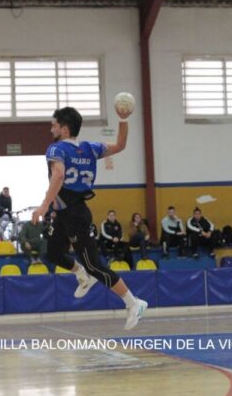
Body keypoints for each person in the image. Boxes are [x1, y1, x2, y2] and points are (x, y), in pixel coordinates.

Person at [32, 105, 148, 330]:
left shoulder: (56, 149)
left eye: (54, 125)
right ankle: (82, 274)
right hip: (64, 214)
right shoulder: (90, 148)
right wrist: (123, 120)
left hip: (75, 215)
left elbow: (58, 174)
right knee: (54, 252)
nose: (51, 129)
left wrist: (44, 204)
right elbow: (120, 145)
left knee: (94, 264)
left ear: (64, 129)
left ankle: (133, 303)